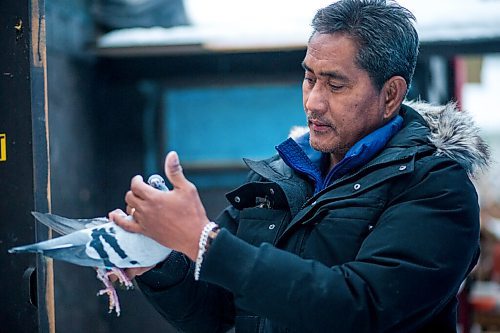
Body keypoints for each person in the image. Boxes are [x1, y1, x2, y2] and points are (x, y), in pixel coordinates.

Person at [110, 0, 491, 331]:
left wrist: (207, 244)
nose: (313, 102)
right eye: (309, 78)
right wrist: (157, 258)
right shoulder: (281, 174)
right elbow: (216, 314)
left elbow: (356, 308)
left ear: (390, 94)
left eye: (335, 85)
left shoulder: (436, 188)